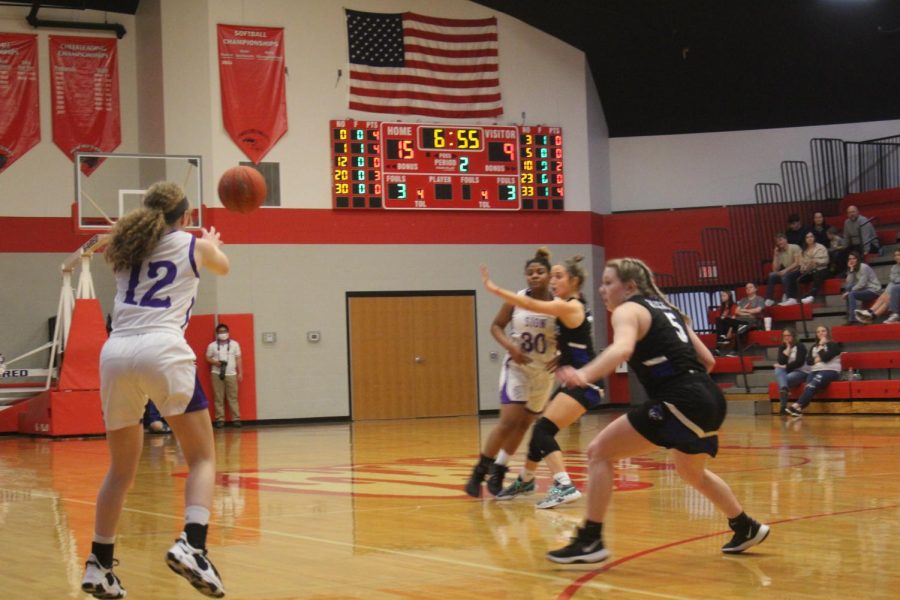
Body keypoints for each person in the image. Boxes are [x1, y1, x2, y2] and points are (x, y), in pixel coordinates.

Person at [546, 257, 769, 564]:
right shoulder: (670, 312)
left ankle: (590, 540)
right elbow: (708, 360)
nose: (602, 289)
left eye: (609, 282)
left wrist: (584, 375)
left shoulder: (628, 310)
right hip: (710, 399)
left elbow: (622, 350)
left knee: (599, 452)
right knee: (691, 471)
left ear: (630, 286)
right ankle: (745, 526)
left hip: (682, 399)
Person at [81, 182, 229, 599]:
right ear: (184, 216)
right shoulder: (193, 244)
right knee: (202, 456)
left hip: (115, 353)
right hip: (161, 348)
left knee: (120, 470)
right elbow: (223, 267)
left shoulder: (124, 250)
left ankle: (99, 564)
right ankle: (193, 545)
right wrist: (211, 242)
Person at [480, 255, 604, 509]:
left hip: (585, 383)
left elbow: (529, 303)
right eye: (553, 275)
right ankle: (526, 479)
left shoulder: (570, 306)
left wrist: (495, 290)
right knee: (539, 431)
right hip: (575, 381)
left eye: (558, 277)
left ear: (575, 281)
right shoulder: (570, 304)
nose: (553, 281)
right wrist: (562, 355)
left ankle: (563, 484)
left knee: (541, 430)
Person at [465, 248, 558, 497]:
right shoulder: (516, 299)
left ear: (550, 275)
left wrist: (563, 356)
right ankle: (479, 472)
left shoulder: (560, 304)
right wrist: (510, 346)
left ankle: (500, 470)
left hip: (544, 373)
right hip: (518, 367)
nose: (534, 276)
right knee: (508, 422)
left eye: (539, 272)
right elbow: (495, 326)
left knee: (524, 424)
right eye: (530, 273)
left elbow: (573, 337)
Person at [785, 325, 842, 417]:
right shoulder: (813, 347)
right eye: (818, 332)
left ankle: (795, 405)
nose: (821, 333)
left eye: (823, 331)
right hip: (814, 371)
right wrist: (819, 358)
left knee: (811, 385)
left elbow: (826, 358)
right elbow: (809, 361)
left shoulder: (834, 345)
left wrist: (821, 346)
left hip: (830, 371)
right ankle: (798, 410)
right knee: (808, 387)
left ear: (827, 332)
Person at [206, 323, 243, 428]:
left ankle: (236, 419)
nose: (223, 334)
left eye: (224, 331)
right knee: (218, 397)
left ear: (228, 332)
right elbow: (207, 357)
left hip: (231, 373)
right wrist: (215, 363)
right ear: (217, 334)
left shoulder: (235, 344)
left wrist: (240, 372)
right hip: (216, 373)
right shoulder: (212, 345)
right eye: (220, 332)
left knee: (233, 397)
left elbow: (239, 358)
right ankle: (220, 419)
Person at [855, 249, 900, 324]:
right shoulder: (894, 267)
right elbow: (892, 278)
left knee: (892, 287)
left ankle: (871, 313)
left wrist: (896, 279)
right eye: (895, 255)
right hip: (895, 290)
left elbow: (895, 279)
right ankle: (871, 313)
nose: (896, 257)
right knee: (889, 292)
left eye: (898, 255)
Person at [773, 328, 808, 415]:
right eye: (784, 336)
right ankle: (785, 389)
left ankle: (783, 407)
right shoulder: (782, 347)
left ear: (793, 336)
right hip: (789, 371)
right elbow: (780, 362)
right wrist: (787, 349)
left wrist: (785, 366)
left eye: (788, 335)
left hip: (802, 372)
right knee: (778, 369)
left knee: (784, 380)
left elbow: (799, 362)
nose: (786, 337)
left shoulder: (800, 346)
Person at [843, 251, 882, 324]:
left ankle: (852, 319)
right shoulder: (854, 268)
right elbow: (849, 282)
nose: (851, 260)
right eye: (850, 259)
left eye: (854, 258)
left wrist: (849, 292)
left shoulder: (863, 267)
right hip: (865, 289)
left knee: (852, 293)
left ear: (858, 259)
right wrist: (851, 270)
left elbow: (862, 284)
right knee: (848, 286)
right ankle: (849, 313)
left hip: (873, 290)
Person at [764, 233, 802, 306]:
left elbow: (797, 263)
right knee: (772, 275)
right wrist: (776, 255)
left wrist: (785, 270)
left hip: (799, 270)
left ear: (786, 240)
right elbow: (775, 269)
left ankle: (790, 298)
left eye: (780, 240)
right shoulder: (780, 251)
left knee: (785, 276)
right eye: (777, 241)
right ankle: (769, 299)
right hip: (788, 272)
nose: (779, 242)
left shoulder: (794, 247)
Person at [798, 231, 830, 304]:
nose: (809, 238)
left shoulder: (821, 247)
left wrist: (816, 261)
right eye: (807, 237)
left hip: (822, 269)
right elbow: (802, 265)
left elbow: (826, 260)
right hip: (809, 271)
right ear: (805, 239)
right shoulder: (803, 251)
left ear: (814, 238)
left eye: (811, 236)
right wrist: (806, 267)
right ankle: (796, 297)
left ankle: (811, 296)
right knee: (797, 277)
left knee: (817, 273)